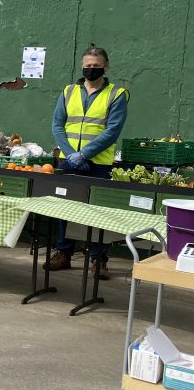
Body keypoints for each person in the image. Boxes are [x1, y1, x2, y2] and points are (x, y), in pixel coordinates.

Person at [45, 46, 128, 280]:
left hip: (99, 163)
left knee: (98, 212)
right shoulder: (69, 91)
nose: (91, 69)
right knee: (64, 207)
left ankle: (99, 260)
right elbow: (58, 126)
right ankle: (63, 253)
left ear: (106, 66)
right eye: (87, 65)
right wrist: (71, 153)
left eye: (96, 65)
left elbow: (112, 131)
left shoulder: (116, 94)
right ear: (82, 66)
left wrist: (85, 154)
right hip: (68, 160)